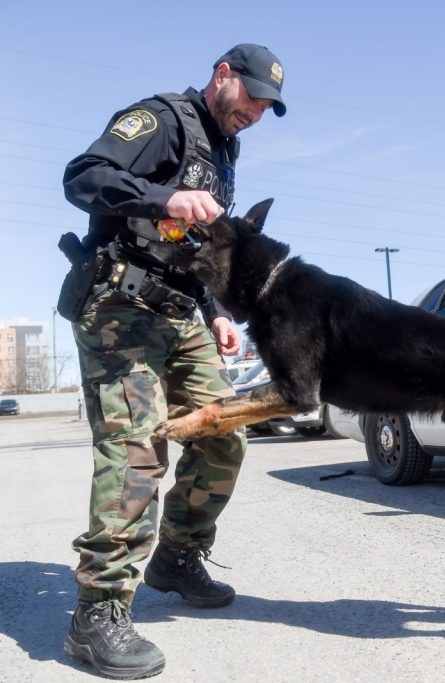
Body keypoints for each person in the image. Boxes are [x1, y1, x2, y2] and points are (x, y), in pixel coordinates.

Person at [58, 44, 286, 680]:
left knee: (224, 434)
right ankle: (96, 613)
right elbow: (81, 177)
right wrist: (164, 198)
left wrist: (215, 308)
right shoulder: (159, 120)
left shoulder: (223, 151)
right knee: (137, 450)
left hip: (181, 311)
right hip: (120, 306)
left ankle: (177, 557)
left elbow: (197, 245)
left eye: (268, 109)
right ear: (223, 76)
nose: (256, 115)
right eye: (252, 100)